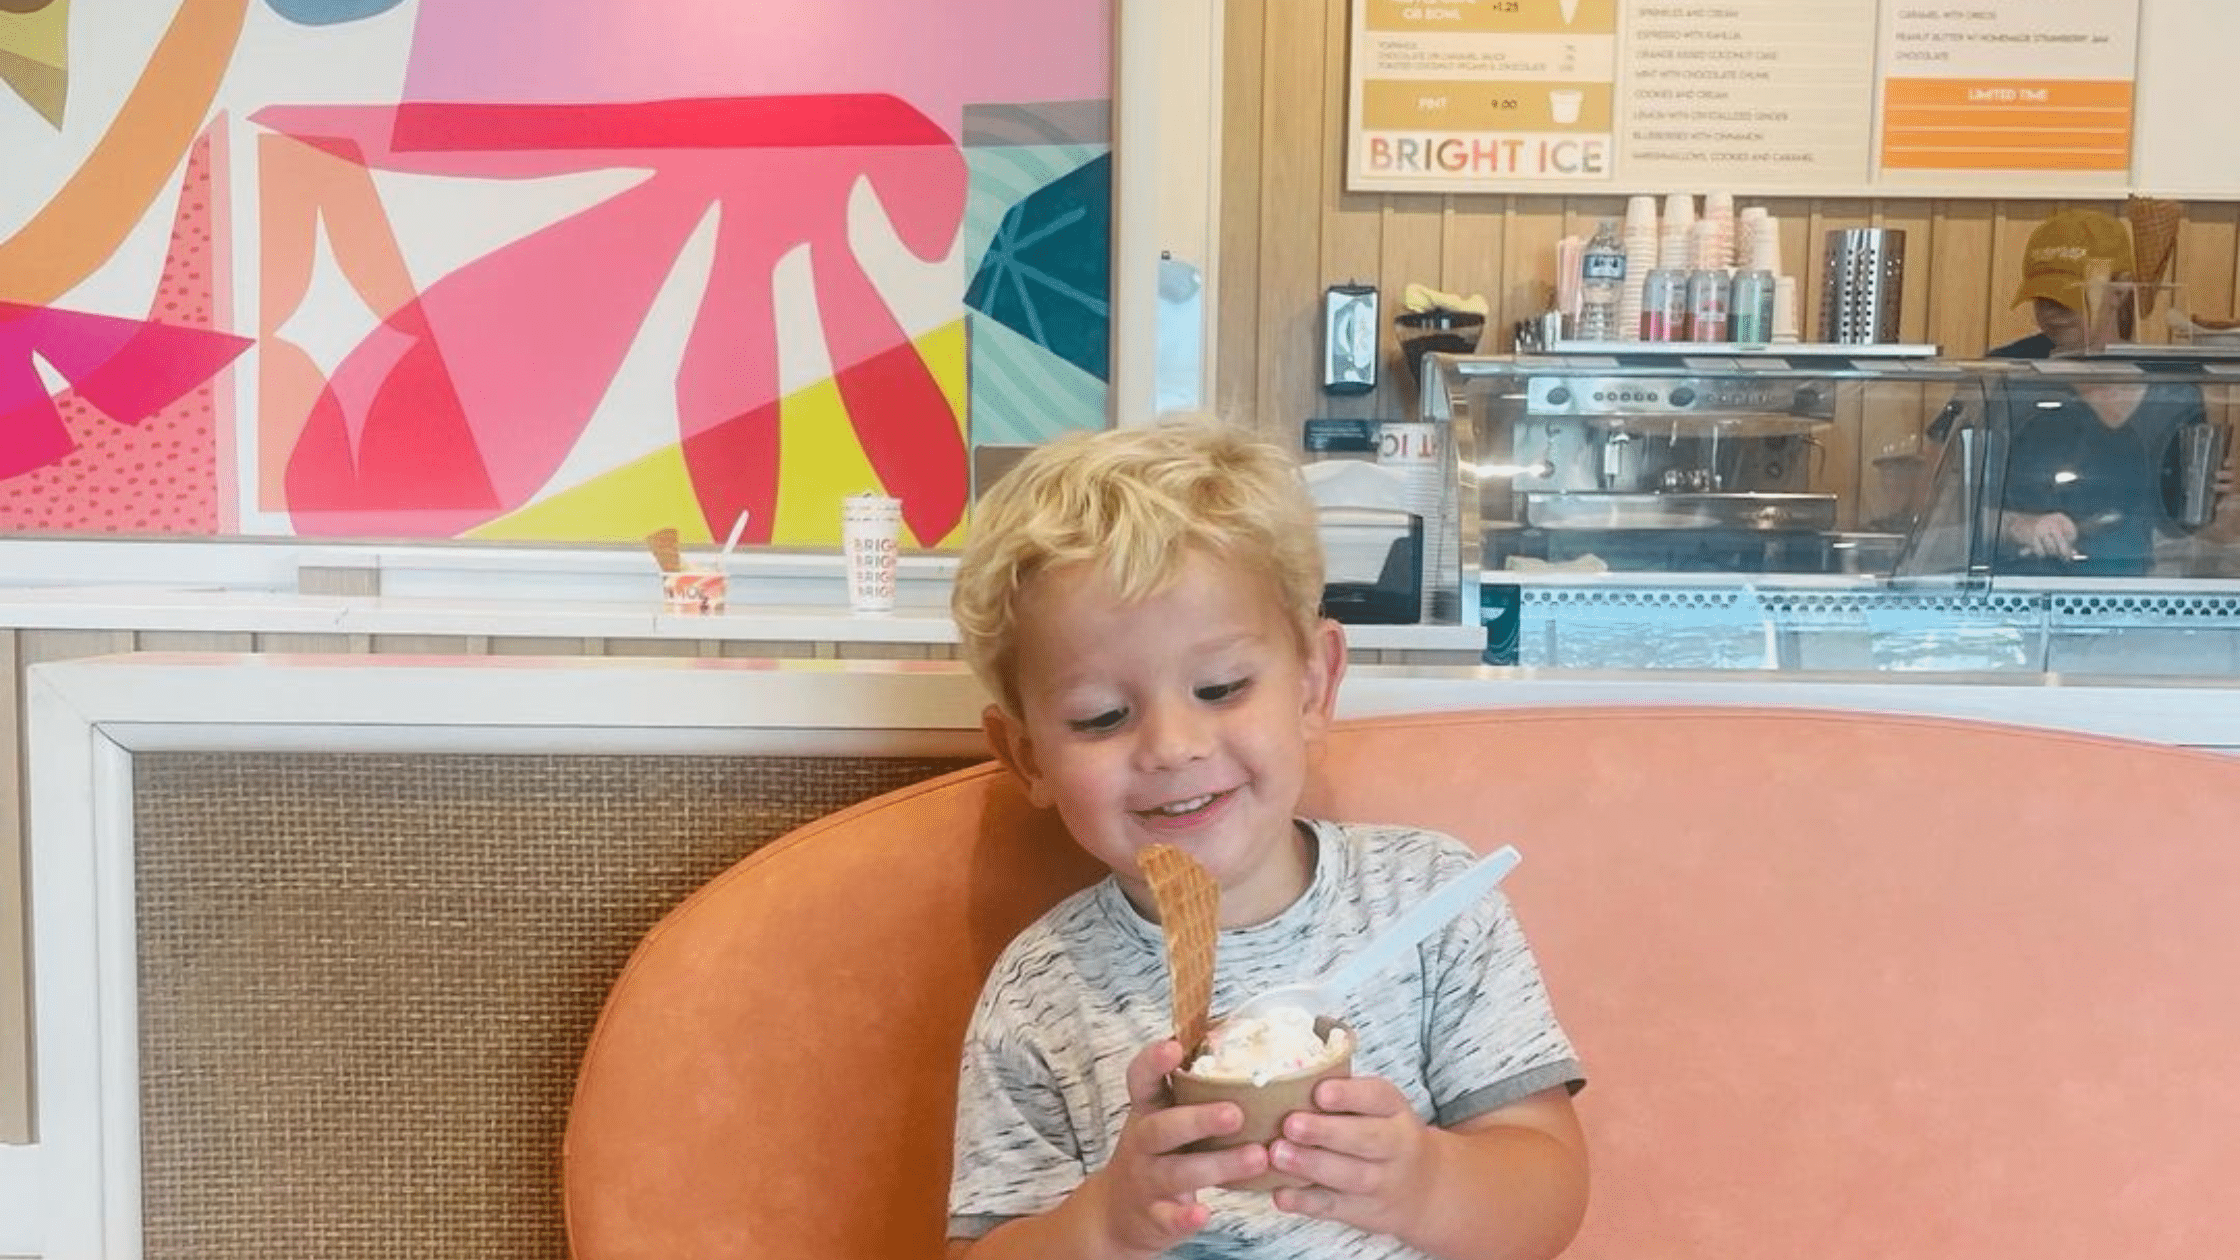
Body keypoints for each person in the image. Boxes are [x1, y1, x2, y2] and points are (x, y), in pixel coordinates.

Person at [943, 418, 1587, 1260]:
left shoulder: (1431, 904)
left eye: (1221, 686)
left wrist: (1423, 1181)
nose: (1174, 746)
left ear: (1315, 685)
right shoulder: (1040, 993)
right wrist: (1101, 1224)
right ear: (1028, 755)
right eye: (1101, 715)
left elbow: (1549, 1195)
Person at [1984, 209, 2213, 573]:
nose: (2053, 312)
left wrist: (2226, 508)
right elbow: (1953, 506)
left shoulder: (2174, 396)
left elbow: (2191, 529)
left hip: (2130, 604)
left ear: (2120, 293)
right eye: (2043, 298)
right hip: (2021, 595)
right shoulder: (2008, 380)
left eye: (2067, 298)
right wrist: (2017, 525)